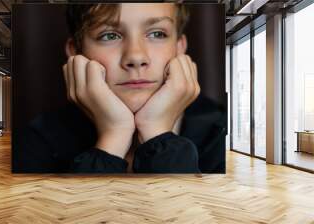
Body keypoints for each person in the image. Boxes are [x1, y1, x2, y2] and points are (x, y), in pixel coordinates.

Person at [14, 3, 226, 173]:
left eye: (157, 34)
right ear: (76, 51)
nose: (136, 57)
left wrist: (157, 133)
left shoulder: (221, 131)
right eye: (109, 35)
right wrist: (114, 135)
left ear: (179, 47)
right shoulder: (37, 140)